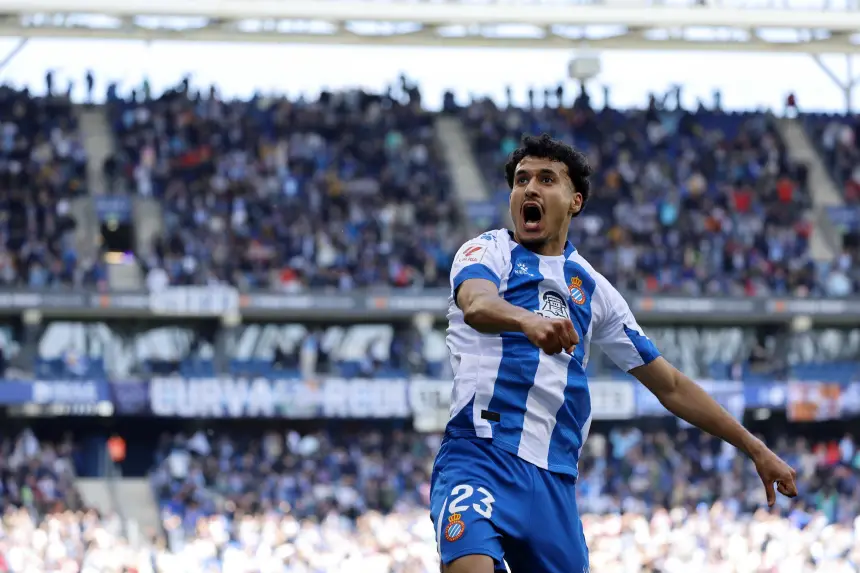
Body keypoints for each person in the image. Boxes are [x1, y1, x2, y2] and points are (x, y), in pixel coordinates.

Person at [429, 133, 798, 573]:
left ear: (575, 201)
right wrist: (528, 321)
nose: (530, 189)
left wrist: (754, 447)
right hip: (480, 454)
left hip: (552, 480)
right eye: (521, 180)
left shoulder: (594, 289)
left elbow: (671, 385)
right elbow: (476, 304)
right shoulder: (487, 250)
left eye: (546, 179)